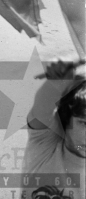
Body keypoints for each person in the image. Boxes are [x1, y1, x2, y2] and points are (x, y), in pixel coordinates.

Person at [23, 59, 86, 199]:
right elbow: (42, 107)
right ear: (66, 121)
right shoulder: (45, 142)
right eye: (84, 123)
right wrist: (55, 83)